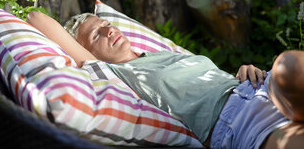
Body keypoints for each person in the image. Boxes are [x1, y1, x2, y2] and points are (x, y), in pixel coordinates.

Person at [27, 11, 304, 148]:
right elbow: (36, 18)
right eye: (96, 35)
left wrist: (244, 71)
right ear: (87, 51)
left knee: (288, 64)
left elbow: (208, 83)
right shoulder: (113, 73)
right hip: (236, 123)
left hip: (256, 87)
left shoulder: (162, 54)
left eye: (107, 25)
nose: (108, 31)